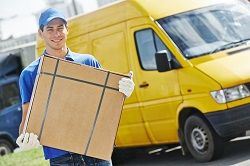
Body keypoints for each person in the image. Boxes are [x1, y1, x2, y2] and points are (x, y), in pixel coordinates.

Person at [16, 8, 135, 166]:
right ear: (40, 33)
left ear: (67, 29)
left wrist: (123, 93)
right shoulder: (30, 74)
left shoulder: (88, 62)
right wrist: (24, 138)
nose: (56, 34)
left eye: (60, 28)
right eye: (50, 29)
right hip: (62, 159)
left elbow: (106, 106)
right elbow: (27, 120)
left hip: (97, 153)